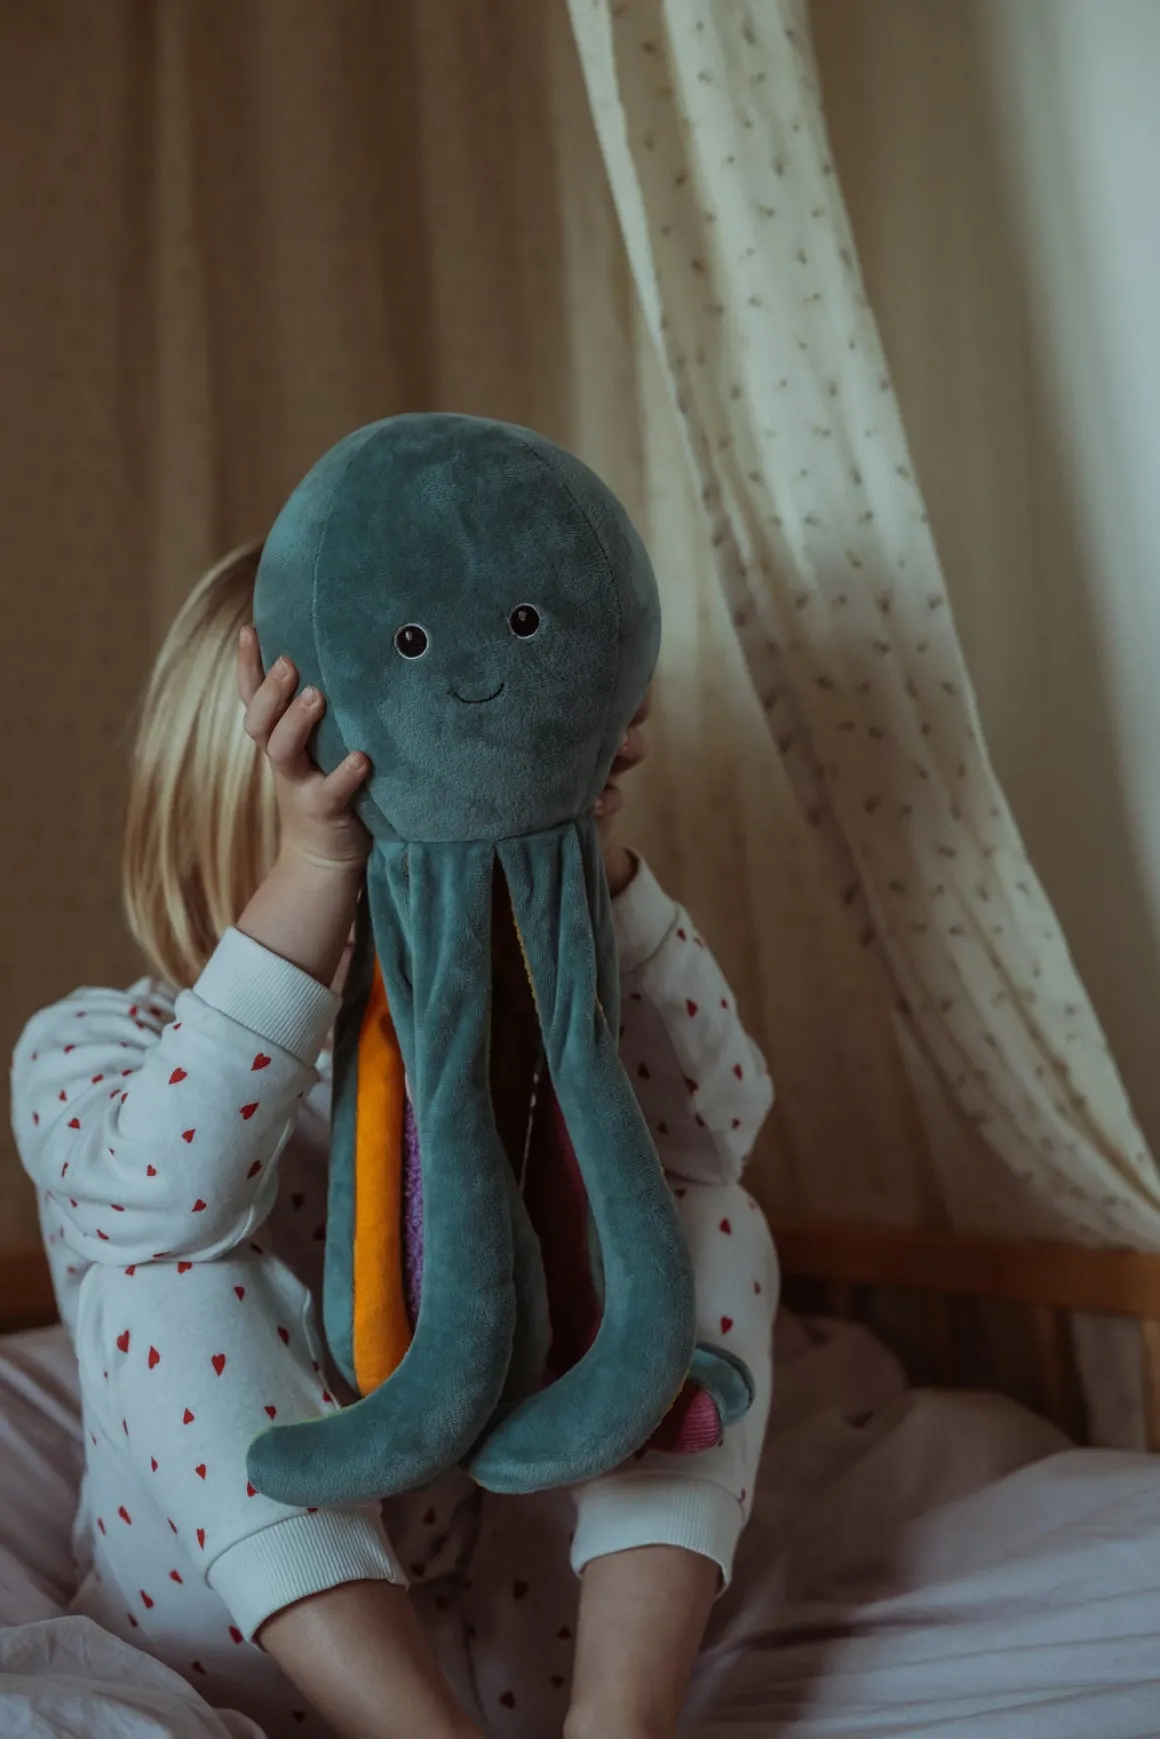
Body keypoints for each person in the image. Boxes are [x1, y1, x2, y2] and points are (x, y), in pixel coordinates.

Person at [11, 542, 777, 1739]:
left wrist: (579, 850)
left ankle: (624, 1717)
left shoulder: (519, 1039)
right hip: (226, 1629)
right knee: (162, 1270)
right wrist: (318, 867)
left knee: (707, 1213)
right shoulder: (94, 1041)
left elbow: (716, 1130)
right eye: (372, 813)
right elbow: (159, 1198)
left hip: (505, 1622)